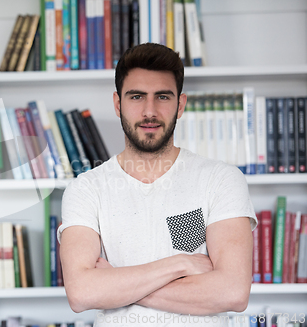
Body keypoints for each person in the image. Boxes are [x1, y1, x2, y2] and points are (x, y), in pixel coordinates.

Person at [57, 43, 257, 327]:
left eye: (162, 96)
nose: (149, 111)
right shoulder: (86, 188)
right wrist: (179, 264)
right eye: (136, 96)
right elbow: (81, 293)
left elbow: (233, 292)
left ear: (181, 104)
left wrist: (116, 285)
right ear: (117, 104)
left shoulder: (221, 179)